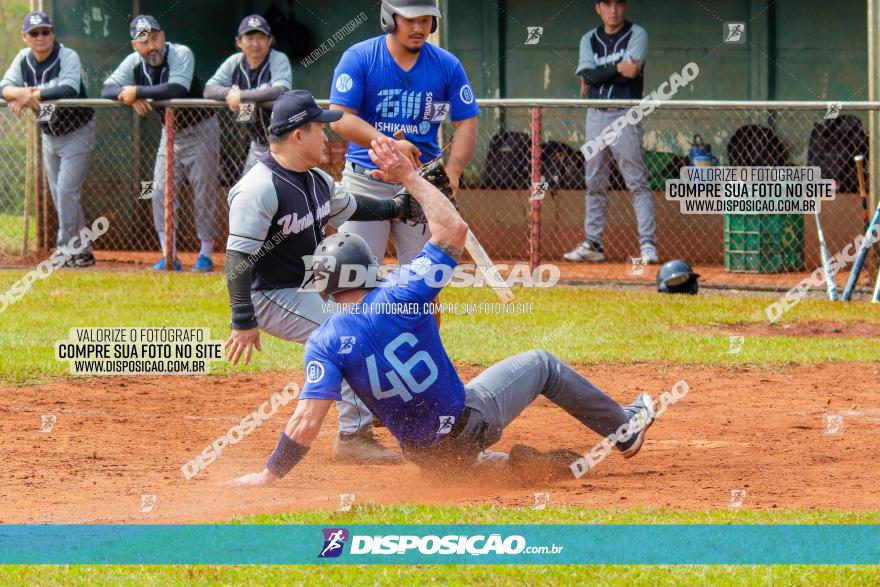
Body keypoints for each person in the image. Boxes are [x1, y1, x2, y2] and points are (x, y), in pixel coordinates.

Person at [227, 138, 656, 486]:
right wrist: (410, 178)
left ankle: (507, 468)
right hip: (468, 424)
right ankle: (626, 430)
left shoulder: (322, 343)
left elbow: (306, 420)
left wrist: (269, 475)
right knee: (542, 364)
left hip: (424, 457)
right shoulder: (403, 292)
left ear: (326, 288)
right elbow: (454, 230)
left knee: (452, 442)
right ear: (366, 269)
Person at [223, 90, 426, 463]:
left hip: (308, 286)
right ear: (298, 135)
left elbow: (354, 206)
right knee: (347, 332)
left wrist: (397, 206)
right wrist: (242, 319)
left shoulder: (314, 179)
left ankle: (387, 406)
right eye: (320, 129)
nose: (328, 138)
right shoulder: (258, 188)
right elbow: (237, 257)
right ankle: (354, 437)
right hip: (268, 294)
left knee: (377, 308)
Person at [328, 0, 479, 266]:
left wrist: (453, 173)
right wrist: (389, 145)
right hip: (366, 182)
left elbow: (466, 122)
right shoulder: (360, 57)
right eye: (410, 19)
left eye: (425, 19)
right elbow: (339, 118)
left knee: (424, 281)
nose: (419, 27)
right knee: (354, 275)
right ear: (389, 18)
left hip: (422, 182)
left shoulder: (447, 65)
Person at [102, 15, 220, 272]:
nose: (151, 45)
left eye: (154, 37)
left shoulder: (180, 53)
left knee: (204, 192)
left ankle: (206, 255)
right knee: (158, 192)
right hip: (171, 134)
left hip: (201, 130)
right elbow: (106, 89)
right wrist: (128, 97)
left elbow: (177, 88)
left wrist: (138, 92)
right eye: (143, 40)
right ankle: (169, 256)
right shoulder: (134, 62)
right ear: (135, 45)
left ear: (163, 37)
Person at [565, 0, 659, 265]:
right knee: (594, 182)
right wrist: (618, 68)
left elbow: (631, 74)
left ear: (625, 6)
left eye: (618, 3)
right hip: (595, 114)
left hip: (625, 113)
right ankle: (593, 244)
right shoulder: (589, 39)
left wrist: (599, 74)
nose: (613, 9)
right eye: (607, 4)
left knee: (636, 181)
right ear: (598, 8)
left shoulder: (636, 33)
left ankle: (648, 245)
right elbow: (587, 77)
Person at [1, 11, 96, 268]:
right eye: (34, 33)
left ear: (53, 34)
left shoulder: (67, 56)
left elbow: (69, 88)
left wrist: (31, 94)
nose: (41, 37)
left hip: (77, 130)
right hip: (49, 134)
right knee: (61, 195)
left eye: (45, 31)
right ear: (25, 37)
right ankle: (83, 251)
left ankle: (66, 250)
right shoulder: (23, 59)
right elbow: (3, 87)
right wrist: (18, 92)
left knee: (66, 191)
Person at [204, 15, 292, 176]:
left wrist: (242, 95)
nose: (255, 43)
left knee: (285, 194)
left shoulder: (278, 59)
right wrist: (230, 94)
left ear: (270, 40)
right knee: (246, 191)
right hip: (258, 144)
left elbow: (281, 89)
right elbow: (208, 89)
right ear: (239, 41)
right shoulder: (235, 61)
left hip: (286, 144)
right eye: (249, 38)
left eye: (260, 38)